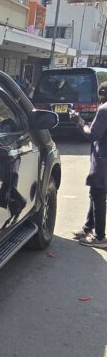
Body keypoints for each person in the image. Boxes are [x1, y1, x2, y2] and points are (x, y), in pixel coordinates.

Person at [70, 81, 107, 248]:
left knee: (98, 196)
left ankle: (99, 237)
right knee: (95, 194)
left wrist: (79, 121)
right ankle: (88, 228)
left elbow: (92, 134)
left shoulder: (104, 109)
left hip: (103, 162)